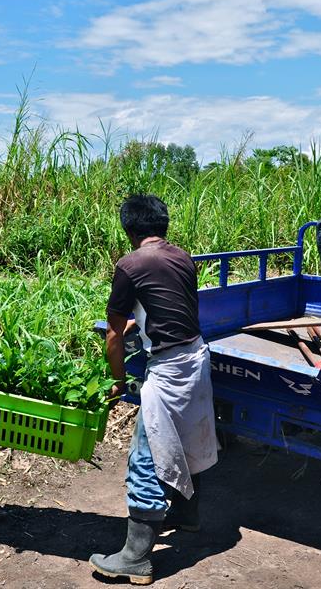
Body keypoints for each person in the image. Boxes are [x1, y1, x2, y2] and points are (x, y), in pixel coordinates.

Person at [90, 194, 218, 584]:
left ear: (129, 229)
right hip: (196, 357)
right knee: (188, 439)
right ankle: (186, 514)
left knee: (146, 456)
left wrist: (115, 381)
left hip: (168, 369)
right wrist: (138, 326)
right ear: (162, 225)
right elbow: (168, 308)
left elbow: (113, 333)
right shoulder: (182, 257)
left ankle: (136, 557)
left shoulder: (130, 264)